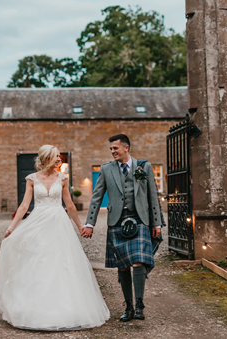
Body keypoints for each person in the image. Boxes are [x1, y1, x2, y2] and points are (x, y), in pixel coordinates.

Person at [0, 145, 110, 330]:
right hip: (37, 222)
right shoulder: (31, 179)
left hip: (58, 223)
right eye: (56, 157)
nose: (59, 159)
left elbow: (70, 205)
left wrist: (80, 225)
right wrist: (11, 228)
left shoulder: (62, 178)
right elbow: (24, 206)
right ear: (47, 158)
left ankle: (65, 308)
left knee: (60, 261)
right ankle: (33, 308)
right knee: (37, 260)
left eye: (59, 157)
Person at [81, 134, 163, 322]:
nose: (112, 152)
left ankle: (140, 306)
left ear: (126, 148)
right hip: (117, 221)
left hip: (140, 219)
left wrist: (156, 223)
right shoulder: (106, 169)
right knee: (123, 266)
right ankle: (128, 307)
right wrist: (89, 223)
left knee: (139, 262)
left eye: (115, 148)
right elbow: (96, 197)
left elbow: (153, 196)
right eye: (111, 149)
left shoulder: (143, 167)